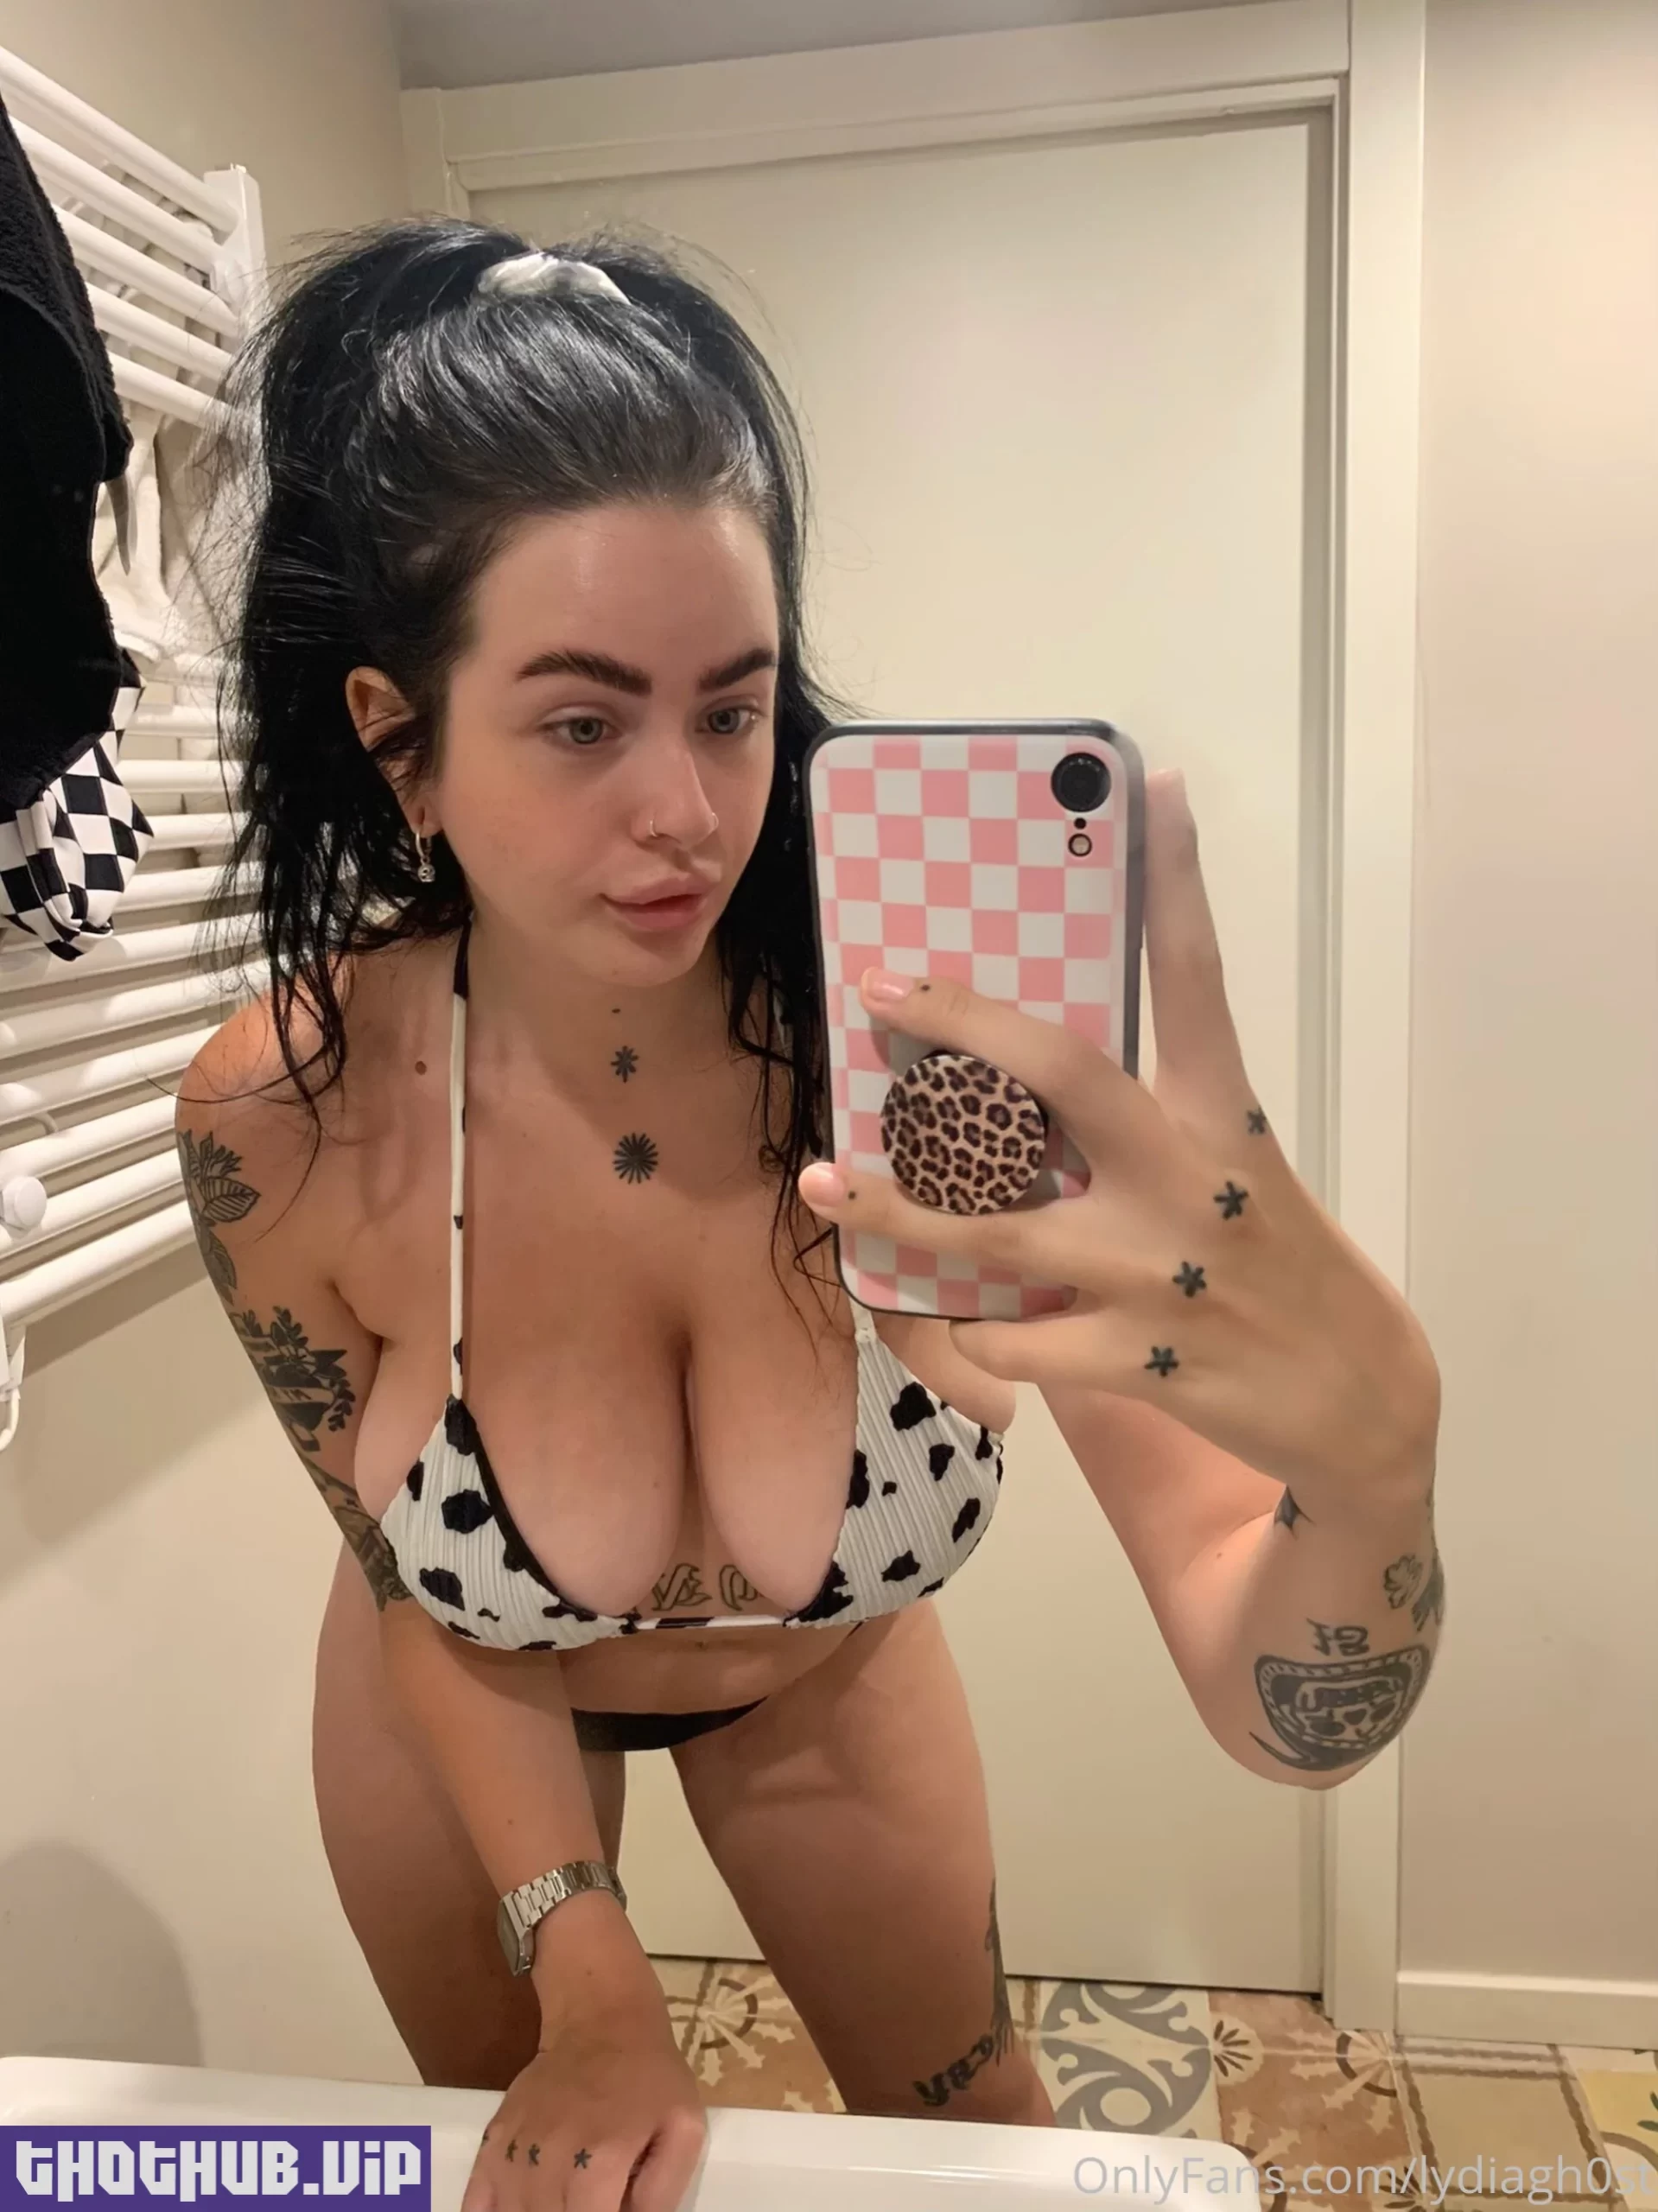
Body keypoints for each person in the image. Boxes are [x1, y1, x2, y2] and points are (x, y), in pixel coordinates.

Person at [177, 217, 1443, 2212]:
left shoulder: (928, 1061)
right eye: (581, 721)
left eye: (731, 707)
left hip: (824, 1673)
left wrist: (1372, 1469)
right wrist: (589, 1968)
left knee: (973, 2130)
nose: (686, 812)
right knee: (538, 2161)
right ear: (398, 735)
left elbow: (1279, 1706)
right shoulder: (291, 1117)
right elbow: (405, 1570)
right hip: (470, 1685)